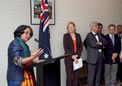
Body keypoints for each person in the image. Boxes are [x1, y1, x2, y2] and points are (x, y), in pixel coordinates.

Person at [85, 21, 107, 86]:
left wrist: (99, 43)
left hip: (100, 57)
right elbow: (93, 44)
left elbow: (105, 42)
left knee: (99, 75)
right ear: (91, 27)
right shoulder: (89, 35)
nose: (97, 27)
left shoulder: (99, 34)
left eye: (97, 25)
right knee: (91, 76)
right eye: (96, 26)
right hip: (92, 59)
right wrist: (100, 44)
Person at [63, 22, 83, 86]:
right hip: (69, 59)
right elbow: (66, 48)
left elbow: (81, 46)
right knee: (69, 77)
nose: (71, 28)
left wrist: (77, 55)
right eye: (69, 27)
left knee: (76, 77)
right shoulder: (65, 36)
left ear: (74, 27)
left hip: (77, 59)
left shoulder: (78, 35)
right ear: (67, 28)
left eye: (72, 27)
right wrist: (72, 56)